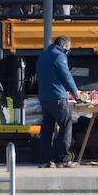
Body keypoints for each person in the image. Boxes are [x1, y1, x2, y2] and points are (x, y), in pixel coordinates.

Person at [36, 36, 82, 168]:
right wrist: (75, 92)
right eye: (68, 49)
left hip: (44, 98)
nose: (68, 51)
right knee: (66, 124)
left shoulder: (43, 56)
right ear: (64, 46)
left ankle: (44, 160)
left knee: (47, 128)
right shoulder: (59, 56)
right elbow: (66, 75)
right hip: (57, 98)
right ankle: (63, 158)